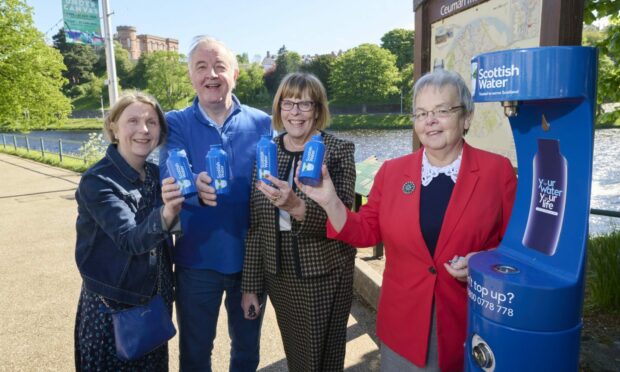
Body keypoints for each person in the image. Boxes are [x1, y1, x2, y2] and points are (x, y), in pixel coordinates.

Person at [298, 69, 517, 371]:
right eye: (422, 113)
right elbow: (366, 232)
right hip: (402, 324)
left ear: (466, 117)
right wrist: (329, 200)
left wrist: (482, 263)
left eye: (442, 111)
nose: (430, 120)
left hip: (470, 321)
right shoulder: (391, 172)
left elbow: (516, 248)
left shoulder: (497, 172)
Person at [158, 36, 272, 371]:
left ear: (235, 73)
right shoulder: (176, 122)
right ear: (191, 76)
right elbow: (168, 169)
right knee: (195, 355)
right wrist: (191, 182)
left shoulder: (262, 122)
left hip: (250, 262)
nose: (211, 74)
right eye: (201, 67)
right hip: (196, 262)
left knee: (247, 351)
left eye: (219, 66)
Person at [241, 72, 357, 371]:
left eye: (304, 104)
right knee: (299, 358)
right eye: (287, 103)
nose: (295, 112)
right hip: (280, 276)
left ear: (317, 110)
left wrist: (296, 207)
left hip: (325, 273)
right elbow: (257, 226)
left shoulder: (338, 151)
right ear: (278, 109)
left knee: (325, 359)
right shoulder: (267, 152)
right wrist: (250, 286)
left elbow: (344, 221)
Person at [74, 91, 184, 370]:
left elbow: (175, 226)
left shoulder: (158, 173)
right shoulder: (98, 181)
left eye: (152, 122)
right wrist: (168, 212)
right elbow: (130, 239)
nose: (144, 130)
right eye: (133, 120)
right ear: (114, 126)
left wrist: (198, 195)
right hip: (115, 306)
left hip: (155, 298)